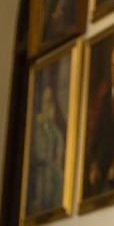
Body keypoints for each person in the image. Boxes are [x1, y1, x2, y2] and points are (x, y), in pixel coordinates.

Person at [83, 38, 114, 197]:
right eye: (112, 65)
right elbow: (97, 135)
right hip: (102, 170)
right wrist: (93, 166)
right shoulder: (104, 99)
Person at [29, 81, 65, 212]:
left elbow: (59, 143)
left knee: (59, 177)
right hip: (40, 176)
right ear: (42, 104)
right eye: (47, 102)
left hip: (52, 175)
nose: (49, 106)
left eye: (51, 102)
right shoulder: (36, 127)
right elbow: (40, 154)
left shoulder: (54, 130)